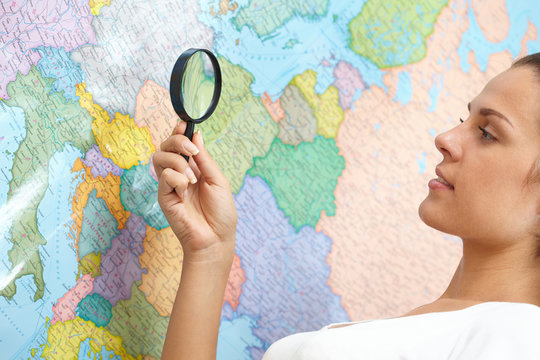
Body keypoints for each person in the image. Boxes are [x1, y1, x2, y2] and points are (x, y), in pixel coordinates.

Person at [153, 52, 540, 359]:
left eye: (487, 133)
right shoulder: (452, 329)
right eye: (463, 118)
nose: (446, 137)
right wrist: (209, 252)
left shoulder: (522, 336)